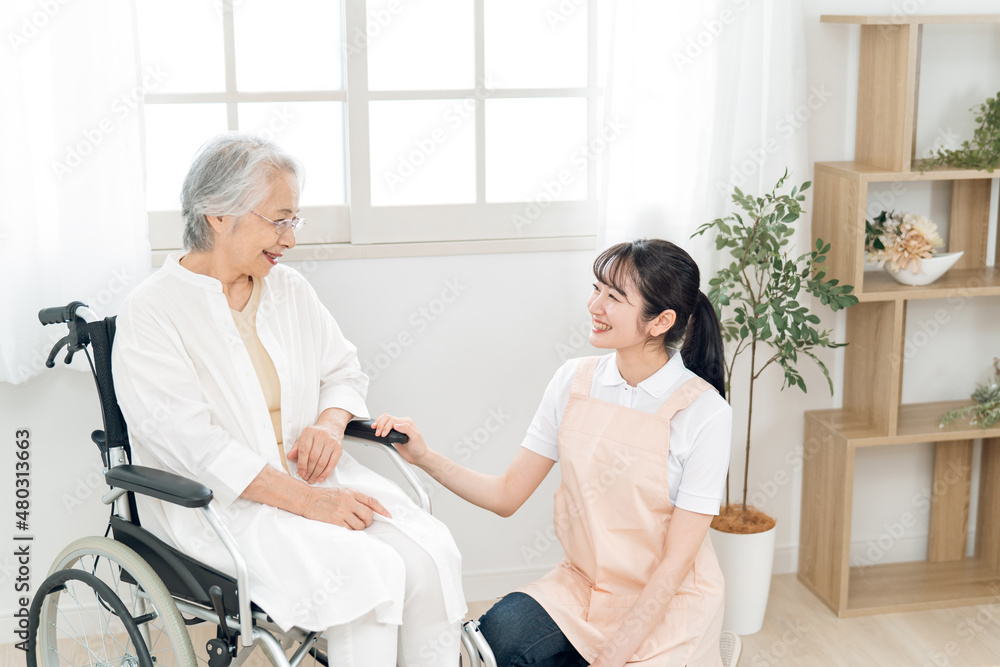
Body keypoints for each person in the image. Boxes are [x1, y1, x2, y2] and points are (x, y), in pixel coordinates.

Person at [112, 133, 466, 667]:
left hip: (314, 479)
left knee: (429, 554)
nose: (290, 239)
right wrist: (308, 503)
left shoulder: (289, 290)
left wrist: (328, 423)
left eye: (293, 221)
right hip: (221, 507)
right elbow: (196, 448)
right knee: (365, 572)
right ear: (217, 214)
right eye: (279, 220)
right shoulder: (152, 313)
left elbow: (342, 371)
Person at [374, 239, 732, 666]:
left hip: (668, 602)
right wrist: (426, 456)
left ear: (661, 321)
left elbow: (675, 565)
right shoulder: (573, 381)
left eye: (614, 297)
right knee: (493, 644)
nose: (594, 305)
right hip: (584, 588)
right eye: (596, 288)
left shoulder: (705, 412)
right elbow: (507, 495)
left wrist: (611, 658)